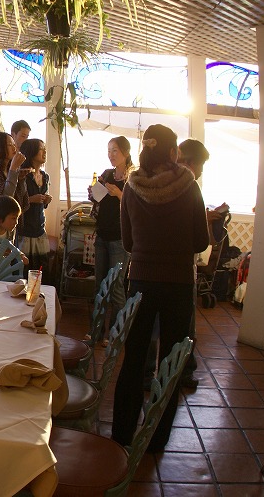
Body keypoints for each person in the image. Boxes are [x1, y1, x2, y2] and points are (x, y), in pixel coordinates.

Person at [111, 124, 209, 453]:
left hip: (140, 281)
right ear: (171, 152)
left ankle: (121, 434)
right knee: (171, 360)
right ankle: (157, 437)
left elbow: (127, 242)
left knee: (134, 358)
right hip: (178, 283)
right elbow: (201, 240)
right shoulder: (189, 186)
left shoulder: (132, 187)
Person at [144, 138, 228, 389]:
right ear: (189, 162)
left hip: (146, 269)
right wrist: (203, 219)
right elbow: (200, 241)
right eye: (201, 165)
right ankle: (176, 376)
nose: (200, 171)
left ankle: (146, 375)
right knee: (181, 328)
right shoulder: (189, 187)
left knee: (150, 327)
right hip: (179, 270)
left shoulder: (148, 183)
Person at [88, 136, 133, 346]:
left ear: (126, 152)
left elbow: (136, 206)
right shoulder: (107, 174)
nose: (111, 155)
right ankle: (96, 332)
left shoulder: (133, 178)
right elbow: (97, 199)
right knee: (100, 286)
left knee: (116, 287)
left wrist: (120, 194)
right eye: (108, 150)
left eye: (114, 150)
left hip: (120, 239)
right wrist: (93, 192)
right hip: (102, 235)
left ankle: (114, 335)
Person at [15, 138, 51, 278]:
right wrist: (31, 199)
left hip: (39, 227)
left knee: (42, 269)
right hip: (25, 228)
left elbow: (43, 205)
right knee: (24, 270)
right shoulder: (22, 175)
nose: (45, 152)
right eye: (41, 149)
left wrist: (46, 200)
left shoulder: (45, 176)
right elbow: (15, 202)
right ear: (31, 152)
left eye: (45, 149)